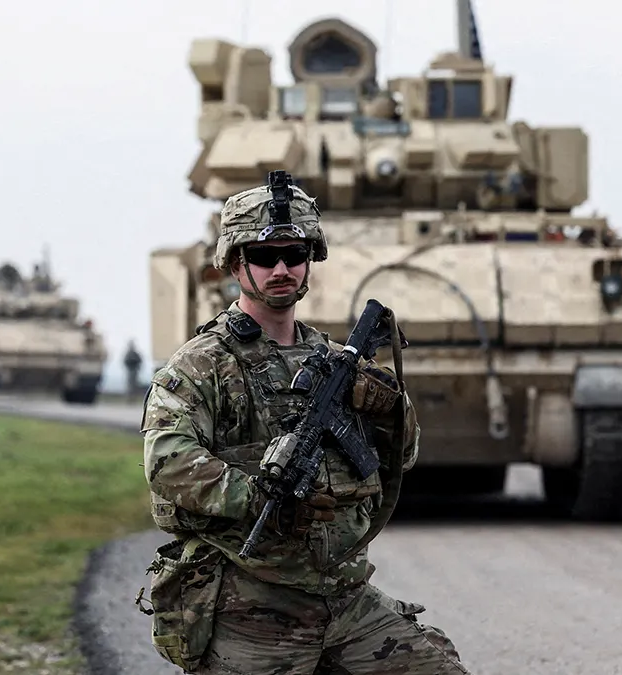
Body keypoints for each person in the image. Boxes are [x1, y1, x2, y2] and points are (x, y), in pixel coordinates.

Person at [139, 172, 472, 674]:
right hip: (253, 602)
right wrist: (256, 498)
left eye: (294, 256)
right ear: (234, 263)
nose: (280, 269)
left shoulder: (338, 360)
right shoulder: (201, 364)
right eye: (263, 256)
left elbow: (401, 458)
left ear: (310, 261)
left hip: (344, 597)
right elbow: (167, 460)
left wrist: (389, 411)